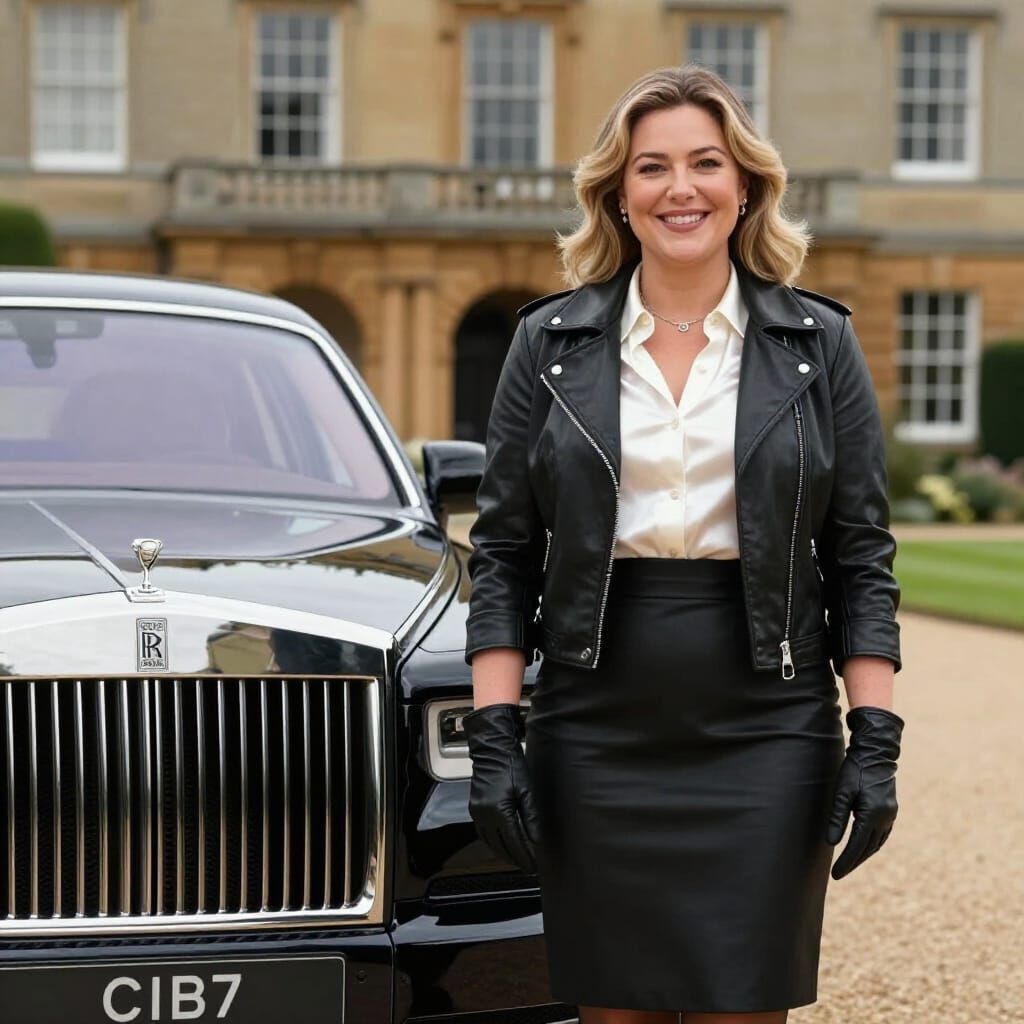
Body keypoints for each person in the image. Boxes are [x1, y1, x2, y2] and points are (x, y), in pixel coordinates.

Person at [462, 64, 905, 1024]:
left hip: (767, 724)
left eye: (707, 162)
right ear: (619, 194)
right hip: (593, 727)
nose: (681, 188)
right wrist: (494, 736)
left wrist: (877, 740)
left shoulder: (817, 344)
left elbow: (861, 555)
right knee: (613, 1012)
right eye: (652, 167)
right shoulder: (548, 345)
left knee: (741, 1009)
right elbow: (503, 555)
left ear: (745, 184)